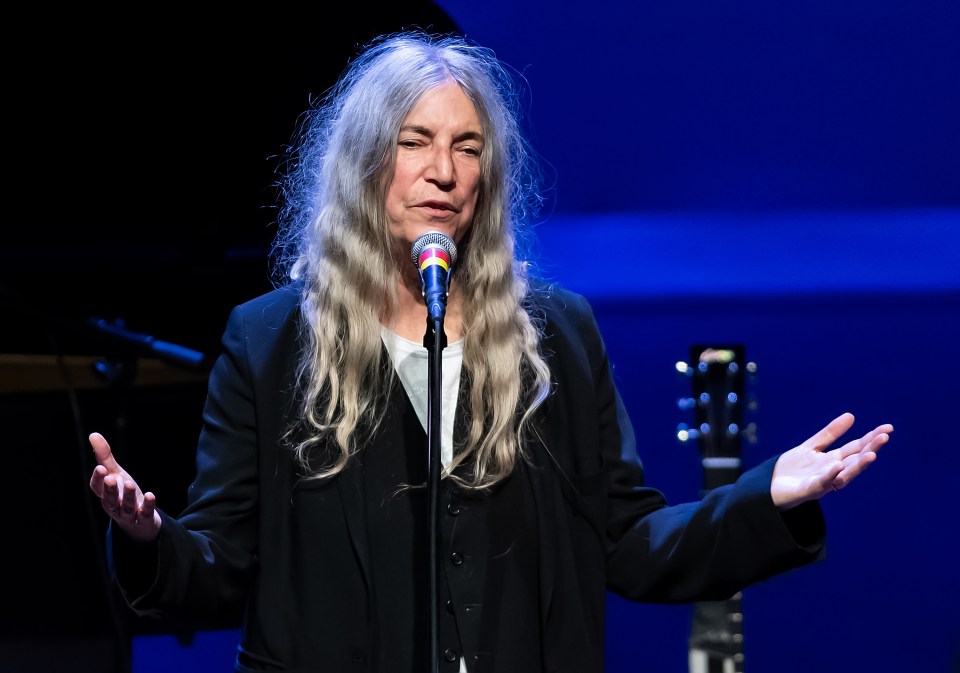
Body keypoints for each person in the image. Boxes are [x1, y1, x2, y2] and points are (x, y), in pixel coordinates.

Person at [88, 30, 893, 673]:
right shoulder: (270, 343)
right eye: (416, 141)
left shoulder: (556, 335)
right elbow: (219, 564)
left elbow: (631, 544)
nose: (443, 171)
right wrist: (150, 539)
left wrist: (765, 498)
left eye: (468, 147)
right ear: (368, 161)